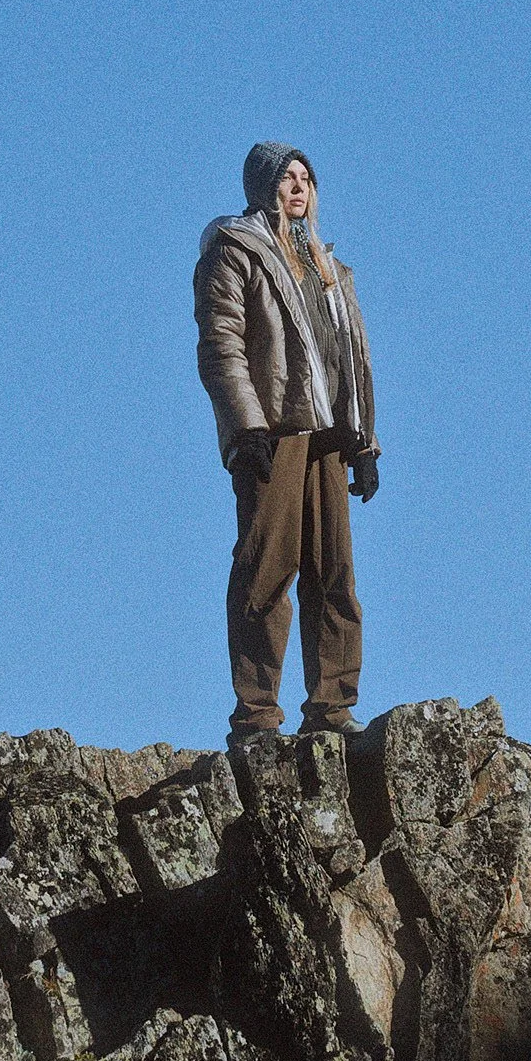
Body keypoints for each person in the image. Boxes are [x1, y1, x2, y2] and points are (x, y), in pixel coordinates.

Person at [194, 142, 380, 747]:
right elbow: (221, 344)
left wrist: (365, 444)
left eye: (306, 178)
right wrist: (246, 427)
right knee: (265, 572)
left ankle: (333, 708)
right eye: (287, 177)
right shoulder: (234, 252)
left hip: (330, 434)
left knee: (334, 575)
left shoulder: (330, 269)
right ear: (262, 186)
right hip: (272, 430)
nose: (298, 187)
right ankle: (257, 717)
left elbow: (354, 358)